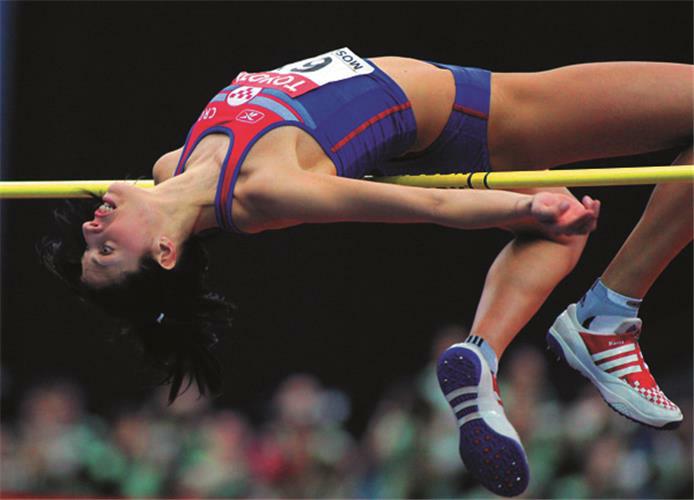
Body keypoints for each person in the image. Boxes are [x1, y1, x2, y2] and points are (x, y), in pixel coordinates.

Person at [40, 48, 692, 497]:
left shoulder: (172, 168)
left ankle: (484, 354)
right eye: (106, 252)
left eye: (90, 244)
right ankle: (607, 316)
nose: (92, 230)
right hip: (477, 115)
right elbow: (427, 208)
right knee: (561, 215)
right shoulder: (260, 191)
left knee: (558, 226)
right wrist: (520, 206)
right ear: (164, 252)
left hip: (429, 121)